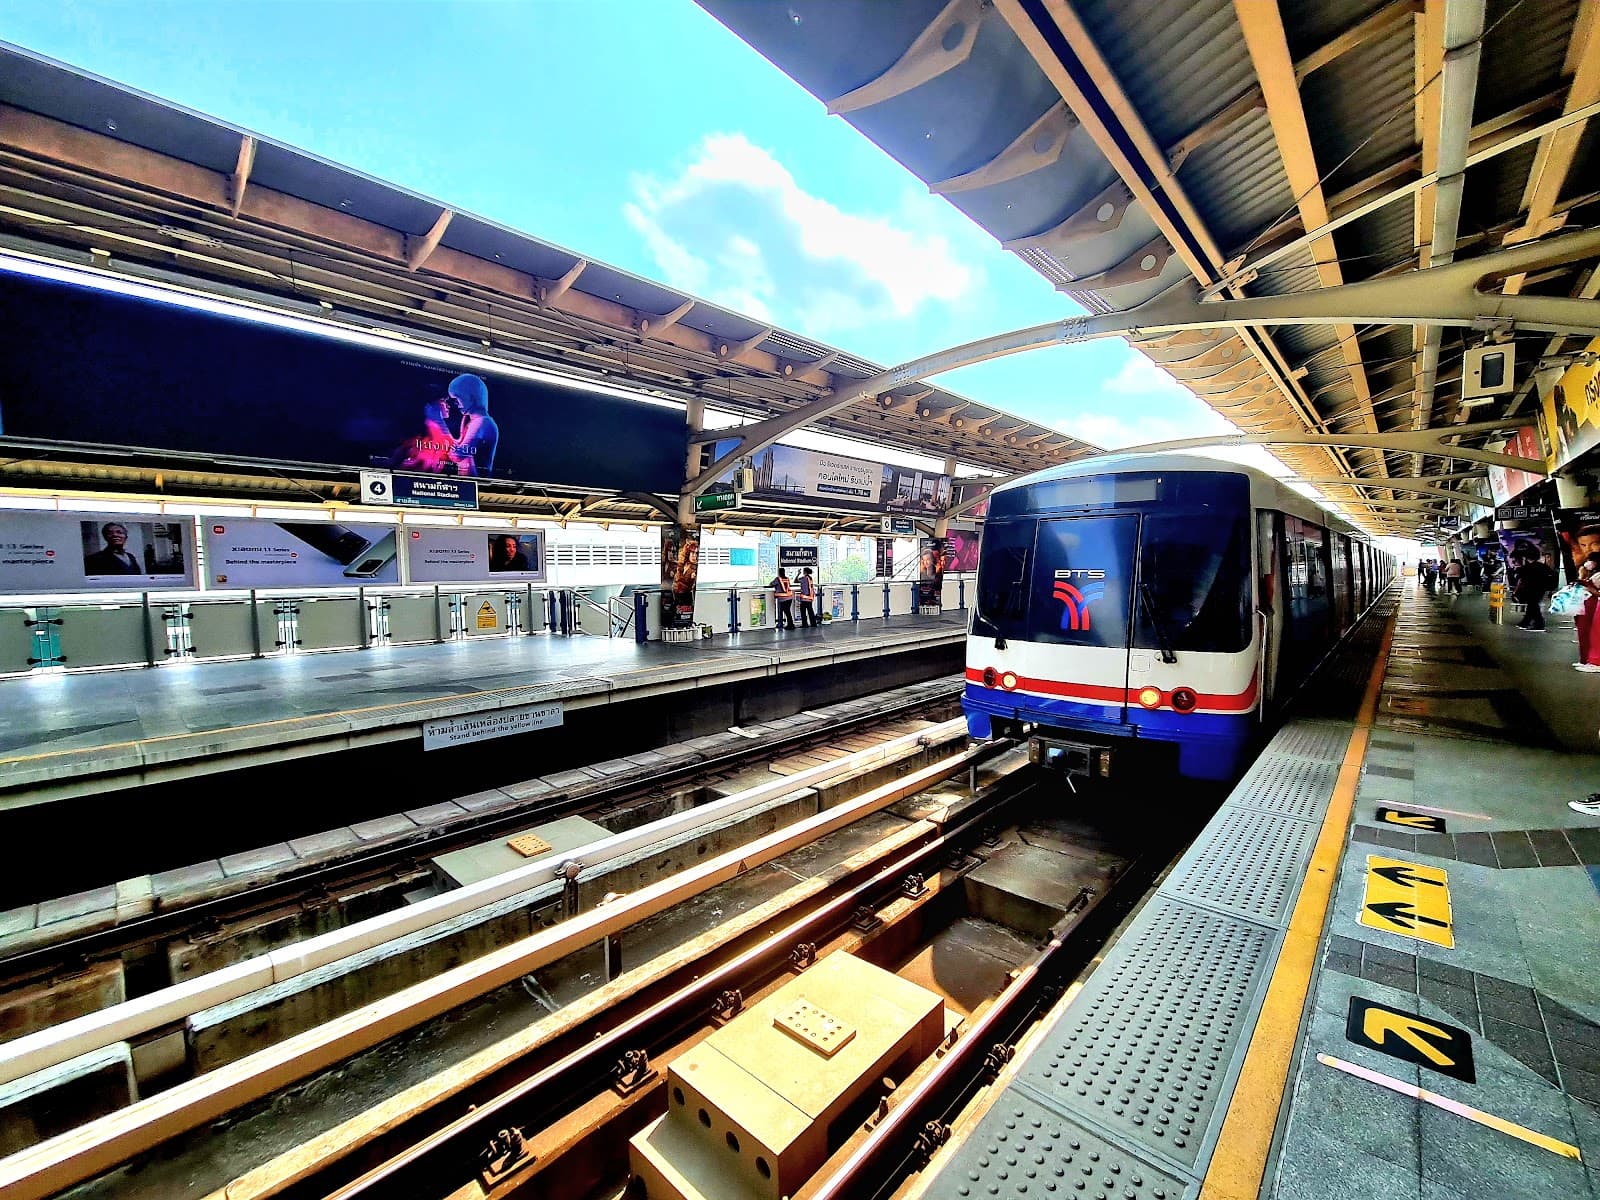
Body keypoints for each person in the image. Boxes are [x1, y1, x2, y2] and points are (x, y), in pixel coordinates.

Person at [447, 374, 498, 476]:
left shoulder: (481, 422)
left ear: (471, 397)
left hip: (478, 480)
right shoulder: (474, 421)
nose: (455, 403)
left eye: (457, 399)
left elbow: (457, 455)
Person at [390, 399, 458, 473]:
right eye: (443, 402)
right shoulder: (425, 432)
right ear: (431, 406)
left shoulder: (442, 433)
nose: (448, 406)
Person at [1511, 545, 1557, 631]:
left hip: (1531, 589)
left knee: (1533, 606)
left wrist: (1515, 591)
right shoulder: (1542, 566)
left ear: (1526, 557)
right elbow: (1552, 575)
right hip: (1541, 589)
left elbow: (1521, 580)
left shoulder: (1526, 568)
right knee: (1532, 605)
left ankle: (1539, 624)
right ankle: (1525, 622)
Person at [1572, 552, 1600, 673]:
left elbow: (1597, 591)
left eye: (1590, 560)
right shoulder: (1591, 573)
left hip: (1594, 604)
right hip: (1590, 604)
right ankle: (1587, 659)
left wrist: (1588, 586)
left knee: (1593, 633)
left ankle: (1594, 661)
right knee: (1588, 633)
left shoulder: (1598, 575)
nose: (1587, 562)